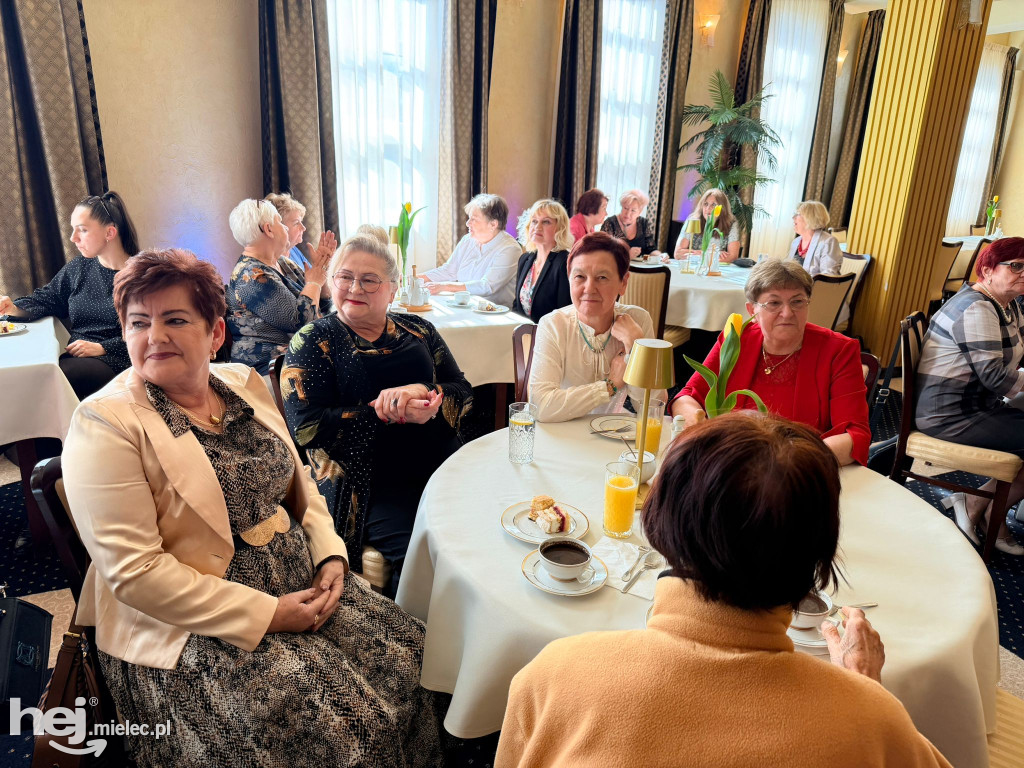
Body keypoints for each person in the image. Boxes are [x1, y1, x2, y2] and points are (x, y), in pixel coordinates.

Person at [62, 248, 446, 767]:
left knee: (416, 657)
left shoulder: (241, 382)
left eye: (176, 319)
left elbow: (300, 486)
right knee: (346, 732)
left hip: (299, 579)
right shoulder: (105, 423)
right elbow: (135, 574)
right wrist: (269, 614)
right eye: (138, 322)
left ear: (215, 333)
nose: (155, 336)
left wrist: (331, 554)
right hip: (192, 623)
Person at [495, 413, 952, 768]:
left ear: (659, 520)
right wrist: (864, 693)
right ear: (819, 553)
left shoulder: (553, 677)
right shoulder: (873, 723)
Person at [283, 235, 472, 598]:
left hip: (444, 466)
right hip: (370, 483)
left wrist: (422, 391)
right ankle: (423, 643)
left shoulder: (419, 329)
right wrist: (384, 413)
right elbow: (306, 429)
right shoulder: (312, 341)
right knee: (432, 563)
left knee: (487, 534)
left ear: (392, 289)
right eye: (344, 277)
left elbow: (463, 392)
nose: (355, 288)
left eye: (370, 280)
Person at [670, 259, 869, 466]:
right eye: (774, 303)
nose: (787, 313)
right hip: (730, 466)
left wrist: (790, 460)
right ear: (752, 310)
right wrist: (700, 426)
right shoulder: (737, 339)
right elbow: (686, 398)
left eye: (797, 301)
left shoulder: (838, 350)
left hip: (798, 473)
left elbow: (855, 435)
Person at [916, 236, 1024, 555]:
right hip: (949, 416)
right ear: (987, 270)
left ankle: (986, 507)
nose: (1023, 273)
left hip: (976, 406)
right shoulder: (977, 307)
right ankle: (984, 506)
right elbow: (993, 376)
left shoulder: (1006, 305)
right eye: (1015, 266)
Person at [0, 192, 139, 399]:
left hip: (120, 360)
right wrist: (13, 308)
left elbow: (152, 332)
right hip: (77, 355)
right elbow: (50, 298)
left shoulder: (143, 276)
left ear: (109, 233)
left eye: (82, 230)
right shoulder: (80, 267)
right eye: (73, 229)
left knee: (49, 381)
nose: (73, 238)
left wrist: (102, 347)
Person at [527, 232, 662, 422]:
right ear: (569, 279)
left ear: (623, 283)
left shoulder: (638, 320)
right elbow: (540, 406)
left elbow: (652, 408)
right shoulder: (554, 325)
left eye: (602, 277)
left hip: (613, 433)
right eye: (580, 276)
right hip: (561, 433)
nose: (589, 288)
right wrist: (609, 386)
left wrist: (635, 346)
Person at [225, 198, 334, 376]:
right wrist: (314, 282)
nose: (285, 228)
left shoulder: (284, 263)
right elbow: (302, 324)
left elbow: (322, 311)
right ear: (268, 229)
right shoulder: (251, 276)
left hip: (300, 360)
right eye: (280, 223)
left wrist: (322, 271)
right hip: (271, 370)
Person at [422, 193, 522, 306]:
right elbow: (449, 270)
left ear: (493, 224)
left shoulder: (510, 249)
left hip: (494, 314)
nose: (467, 223)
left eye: (473, 219)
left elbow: (487, 286)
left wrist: (444, 286)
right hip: (465, 306)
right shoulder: (468, 240)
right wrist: (415, 278)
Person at [264, 192, 337, 300]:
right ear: (276, 226)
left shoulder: (294, 251)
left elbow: (325, 295)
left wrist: (323, 266)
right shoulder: (268, 265)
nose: (303, 228)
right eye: (296, 223)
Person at [513, 199, 573, 322]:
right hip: (524, 334)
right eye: (534, 221)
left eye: (546, 222)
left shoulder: (564, 262)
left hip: (551, 336)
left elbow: (564, 313)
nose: (537, 227)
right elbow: (517, 305)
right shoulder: (525, 259)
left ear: (559, 228)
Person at [670, 187, 741, 263]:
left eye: (713, 204)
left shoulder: (731, 223)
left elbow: (733, 256)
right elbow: (678, 253)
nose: (708, 208)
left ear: (722, 208)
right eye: (705, 204)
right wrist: (711, 254)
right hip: (693, 267)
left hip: (718, 270)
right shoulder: (693, 220)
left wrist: (696, 255)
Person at [599, 189, 661, 259]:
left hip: (641, 268)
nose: (628, 214)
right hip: (617, 268)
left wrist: (661, 256)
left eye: (633, 210)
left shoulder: (643, 223)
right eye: (626, 208)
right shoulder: (610, 223)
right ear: (621, 206)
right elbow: (603, 252)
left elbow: (651, 249)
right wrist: (627, 255)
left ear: (639, 212)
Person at [787, 200, 842, 276]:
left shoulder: (828, 242)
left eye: (798, 214)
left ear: (810, 218)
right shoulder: (796, 242)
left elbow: (829, 275)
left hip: (816, 287)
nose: (793, 217)